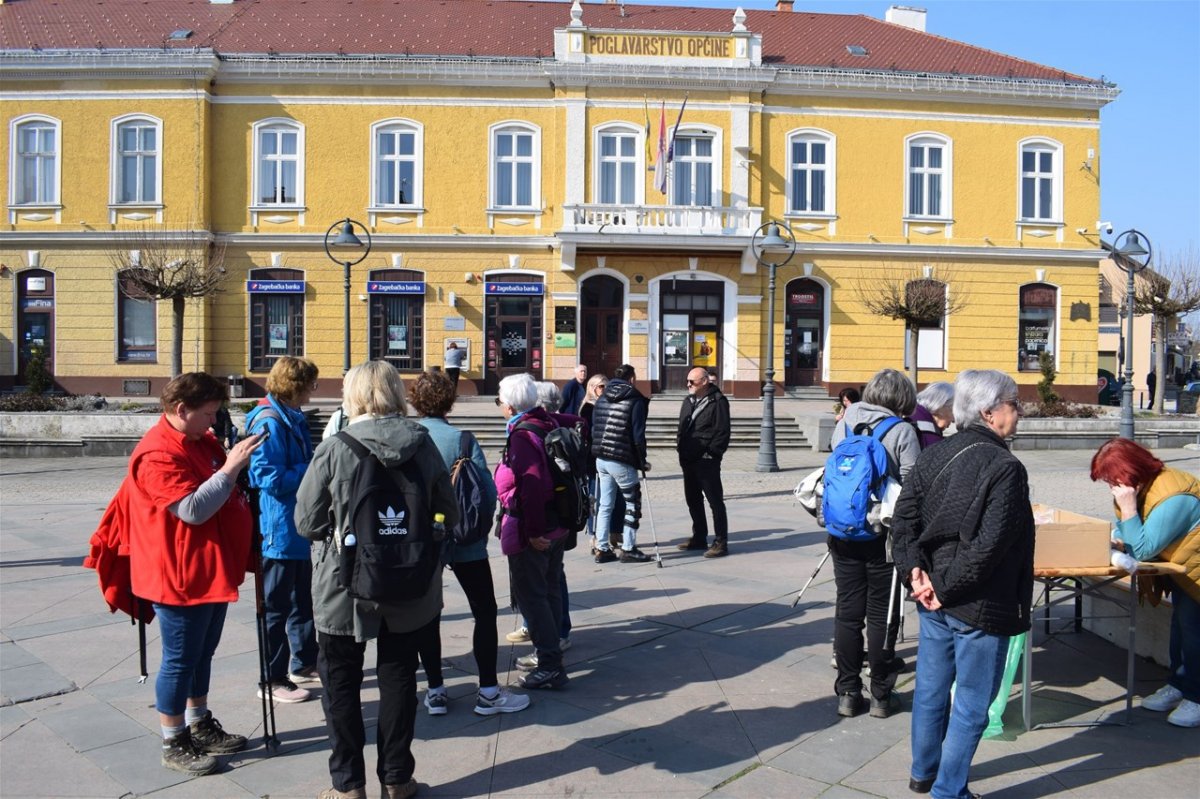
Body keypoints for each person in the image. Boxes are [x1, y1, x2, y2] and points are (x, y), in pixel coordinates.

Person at [295, 361, 458, 799]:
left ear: (353, 396)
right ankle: (398, 779)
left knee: (342, 683)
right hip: (411, 581)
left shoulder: (335, 447)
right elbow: (451, 513)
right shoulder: (423, 445)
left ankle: (348, 786)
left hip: (344, 585)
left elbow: (306, 522)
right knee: (400, 678)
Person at [891, 369, 1035, 798]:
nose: (1019, 411)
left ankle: (924, 772)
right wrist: (929, 579)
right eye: (1014, 403)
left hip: (934, 593)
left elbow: (904, 520)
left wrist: (917, 573)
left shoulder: (937, 452)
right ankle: (946, 790)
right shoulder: (1005, 466)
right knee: (971, 702)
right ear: (990, 413)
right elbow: (989, 548)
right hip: (972, 601)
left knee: (932, 691)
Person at [123, 373, 262, 776]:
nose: (214, 422)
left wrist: (231, 465)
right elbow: (193, 510)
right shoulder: (157, 453)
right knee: (180, 659)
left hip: (209, 567)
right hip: (177, 574)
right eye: (208, 414)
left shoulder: (202, 441)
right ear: (181, 410)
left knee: (203, 653)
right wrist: (231, 468)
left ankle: (199, 721)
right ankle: (174, 739)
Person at [406, 370, 530, 718]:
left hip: (421, 541)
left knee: (427, 615)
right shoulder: (462, 439)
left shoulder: (409, 437)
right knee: (484, 611)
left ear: (415, 401)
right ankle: (489, 691)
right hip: (463, 540)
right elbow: (487, 492)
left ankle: (435, 690)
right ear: (450, 401)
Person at [828, 368, 920, 718]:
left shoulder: (845, 424)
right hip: (884, 535)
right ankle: (881, 694)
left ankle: (848, 692)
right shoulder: (901, 430)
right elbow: (913, 486)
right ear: (901, 399)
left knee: (848, 613)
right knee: (882, 614)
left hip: (843, 532)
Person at [1090, 438, 1200, 728]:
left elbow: (1144, 549)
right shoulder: (1146, 487)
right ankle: (1179, 684)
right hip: (1183, 569)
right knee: (1181, 628)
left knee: (1193, 632)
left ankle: (1196, 697)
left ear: (1132, 471)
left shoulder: (1175, 495)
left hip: (1195, 573)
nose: (1111, 487)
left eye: (1112, 479)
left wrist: (1127, 508)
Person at [245, 356, 320, 705]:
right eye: (310, 385)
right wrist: (310, 468)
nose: (313, 392)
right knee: (275, 606)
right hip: (278, 528)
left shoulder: (290, 416)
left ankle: (304, 661)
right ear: (295, 386)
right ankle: (271, 677)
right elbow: (267, 478)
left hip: (297, 525)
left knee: (301, 598)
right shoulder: (270, 422)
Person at [494, 373, 570, 690]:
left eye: (499, 401)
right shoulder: (546, 422)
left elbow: (533, 484)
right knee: (549, 590)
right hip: (558, 524)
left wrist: (534, 531)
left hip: (537, 529)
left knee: (533, 597)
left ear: (510, 406)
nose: (499, 406)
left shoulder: (523, 436)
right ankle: (547, 653)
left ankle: (550, 665)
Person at [591, 364, 651, 563]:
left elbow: (595, 427)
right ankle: (628, 548)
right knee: (632, 503)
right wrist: (642, 460)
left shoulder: (602, 398)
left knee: (605, 504)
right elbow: (638, 436)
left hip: (601, 457)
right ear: (632, 379)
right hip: (621, 458)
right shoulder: (635, 399)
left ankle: (601, 547)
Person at [675, 367, 731, 557]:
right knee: (693, 500)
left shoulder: (718, 401)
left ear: (705, 381)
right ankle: (699, 536)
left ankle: (721, 542)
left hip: (706, 461)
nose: (688, 385)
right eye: (688, 381)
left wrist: (712, 454)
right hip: (688, 459)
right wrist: (680, 449)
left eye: (693, 381)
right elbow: (682, 427)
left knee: (715, 502)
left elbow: (722, 431)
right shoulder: (688, 400)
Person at [910, 382, 955, 450]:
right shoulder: (929, 436)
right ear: (941, 406)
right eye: (953, 410)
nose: (953, 420)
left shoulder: (913, 415)